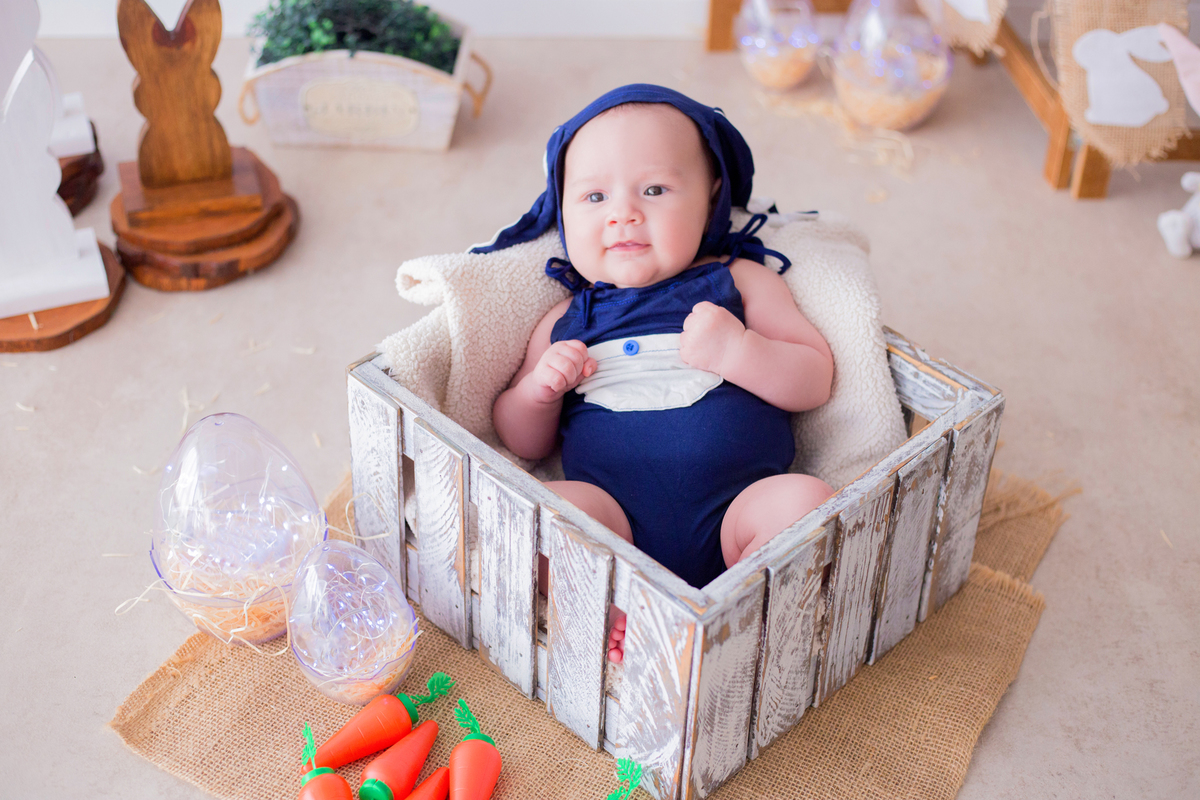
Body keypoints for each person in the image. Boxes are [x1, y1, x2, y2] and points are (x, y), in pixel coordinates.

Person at [483, 85, 834, 662]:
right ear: (563, 212)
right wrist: (539, 391)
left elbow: (814, 378)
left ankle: (746, 614)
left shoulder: (739, 282)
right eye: (594, 195)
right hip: (614, 523)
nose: (623, 213)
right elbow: (521, 440)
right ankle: (613, 608)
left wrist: (739, 351)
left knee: (806, 501)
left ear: (709, 198)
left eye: (654, 190)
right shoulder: (567, 320)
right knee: (542, 511)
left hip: (739, 515)